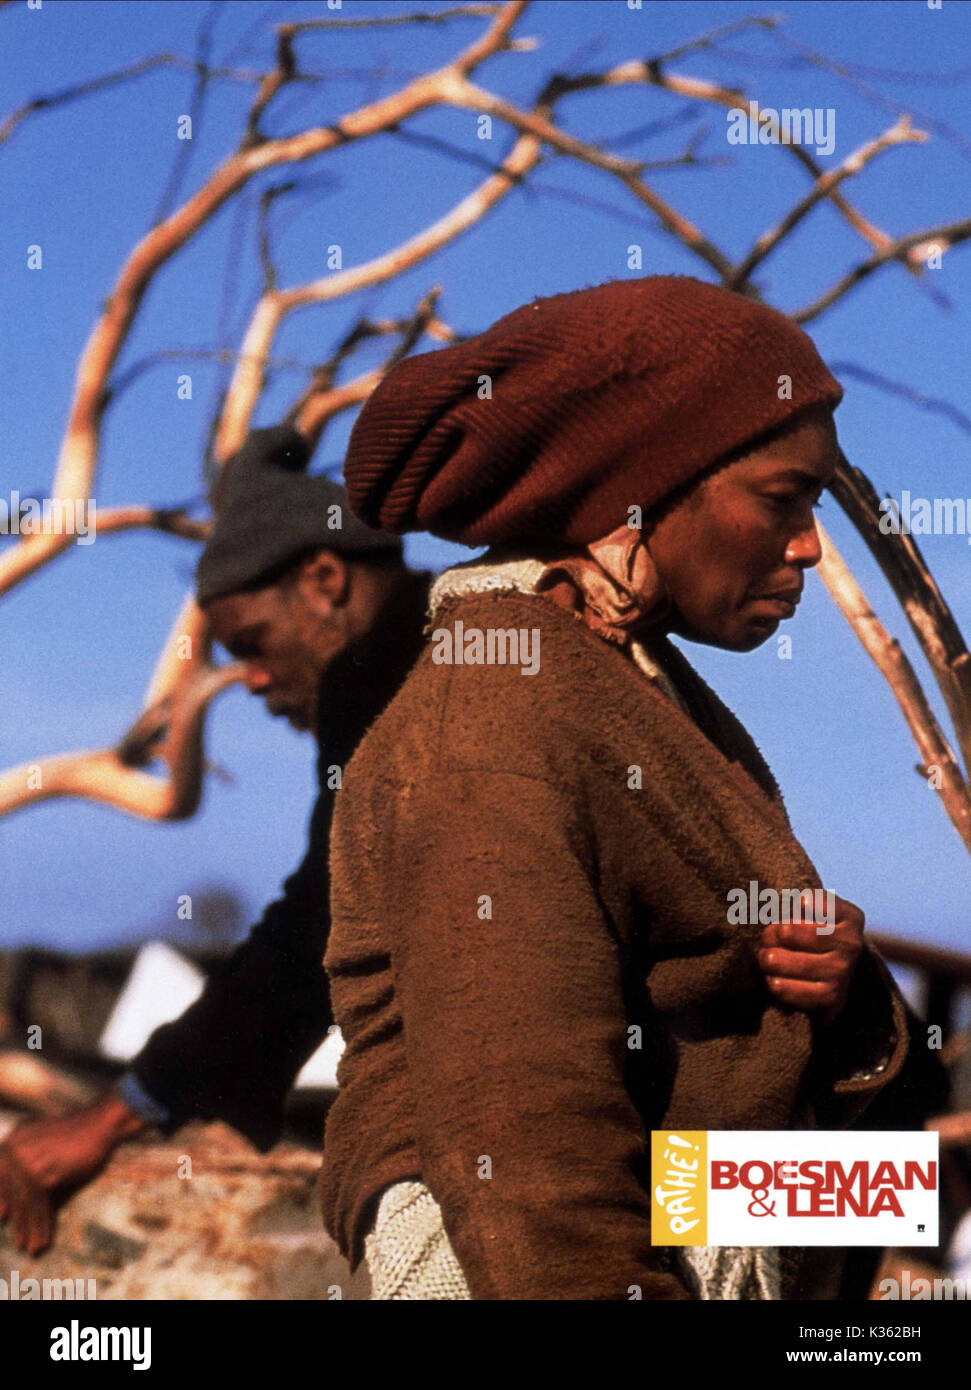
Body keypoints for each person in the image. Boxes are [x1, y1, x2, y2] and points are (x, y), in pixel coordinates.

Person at [319, 274, 946, 1301]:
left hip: (689, 1204)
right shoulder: (493, 713)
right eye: (780, 500)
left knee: (917, 1191)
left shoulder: (621, 675)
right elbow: (525, 1153)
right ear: (636, 499)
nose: (807, 545)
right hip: (531, 1256)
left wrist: (846, 999)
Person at [0, 425, 431, 1256]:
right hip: (712, 1128)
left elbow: (322, 923)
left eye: (253, 647)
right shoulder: (460, 639)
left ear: (324, 579)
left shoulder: (389, 679)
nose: (252, 683)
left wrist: (120, 1109)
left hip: (606, 1148)